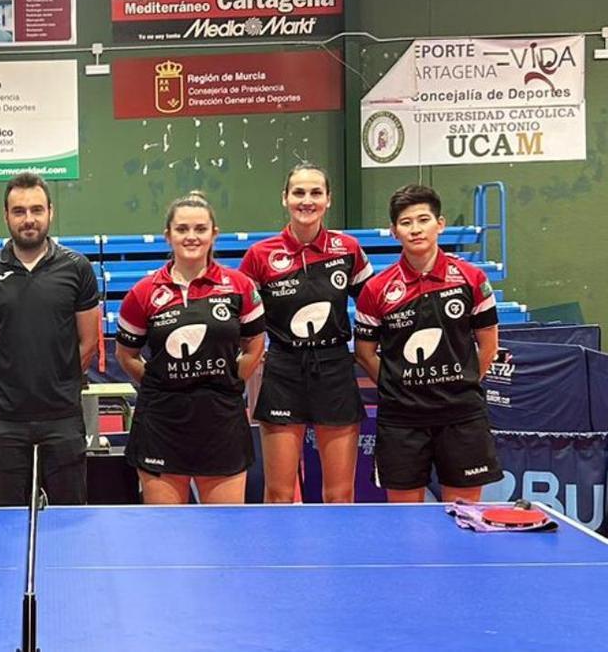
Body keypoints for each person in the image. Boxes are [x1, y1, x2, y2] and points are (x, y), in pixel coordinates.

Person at [354, 184, 502, 503]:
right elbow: (365, 353)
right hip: (402, 419)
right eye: (406, 222)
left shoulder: (471, 278)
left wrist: (463, 384)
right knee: (406, 520)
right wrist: (398, 386)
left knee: (463, 516)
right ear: (394, 232)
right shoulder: (376, 289)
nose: (416, 229)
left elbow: (488, 346)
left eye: (423, 219)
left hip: (461, 414)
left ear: (440, 224)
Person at [115, 193, 266, 504]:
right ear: (168, 235)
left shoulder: (239, 286)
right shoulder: (143, 293)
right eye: (182, 229)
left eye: (200, 228)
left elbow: (254, 345)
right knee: (166, 536)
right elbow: (126, 355)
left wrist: (230, 380)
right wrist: (160, 382)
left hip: (221, 419)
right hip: (161, 422)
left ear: (214, 234)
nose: (192, 236)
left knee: (223, 532)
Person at [239, 164, 372, 503]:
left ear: (328, 200)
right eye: (299, 192)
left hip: (335, 369)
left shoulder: (348, 249)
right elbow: (240, 318)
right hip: (283, 370)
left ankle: (338, 557)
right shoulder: (260, 256)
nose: (307, 200)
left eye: (316, 193)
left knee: (340, 494)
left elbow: (377, 303)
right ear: (285, 198)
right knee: (279, 493)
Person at [0, 172, 100, 505]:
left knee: (71, 518)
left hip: (63, 417)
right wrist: (12, 388)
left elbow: (89, 343)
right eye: (19, 211)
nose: (29, 219)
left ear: (50, 212)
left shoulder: (77, 268)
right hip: (3, 420)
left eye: (37, 210)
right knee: (4, 519)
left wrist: (59, 384)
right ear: (6, 215)